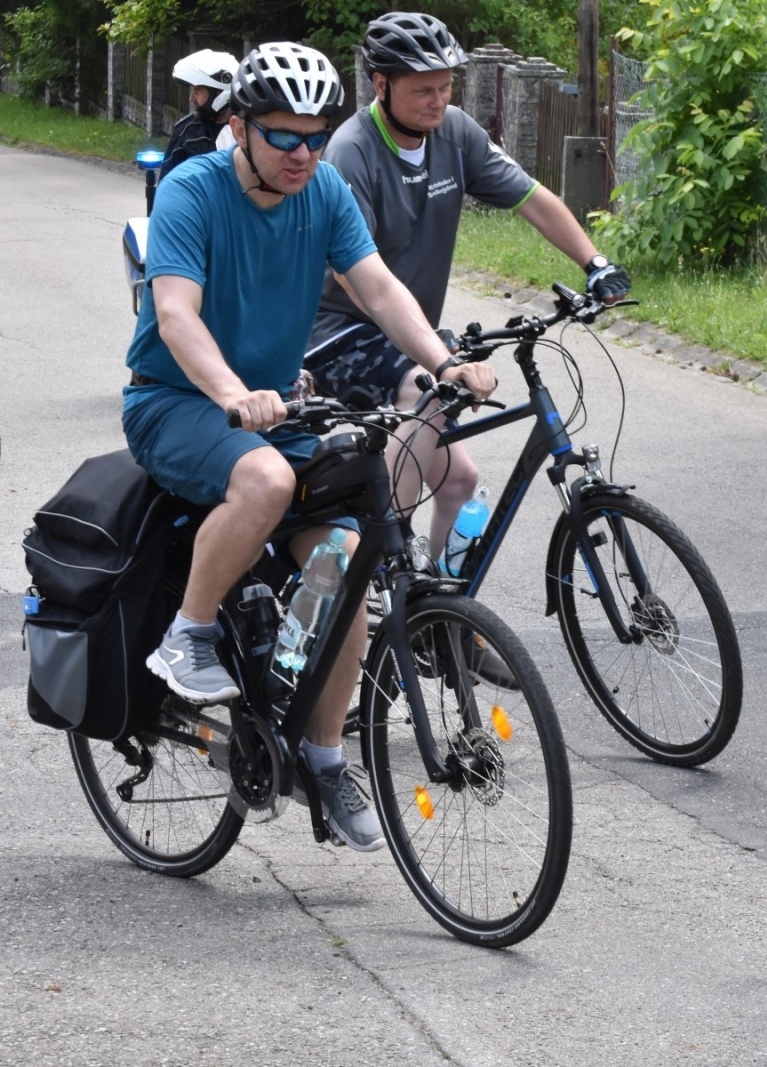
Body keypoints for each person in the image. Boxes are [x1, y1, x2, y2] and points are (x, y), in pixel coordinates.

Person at [125, 42, 495, 851]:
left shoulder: (322, 189)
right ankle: (185, 637)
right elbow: (178, 314)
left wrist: (443, 362)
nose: (303, 153)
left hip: (271, 409)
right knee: (262, 482)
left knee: (345, 551)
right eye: (283, 136)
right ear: (241, 128)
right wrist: (230, 391)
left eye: (316, 135)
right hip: (178, 402)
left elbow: (379, 288)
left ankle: (323, 756)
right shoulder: (194, 190)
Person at [304, 11, 631, 555]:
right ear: (381, 85)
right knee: (429, 392)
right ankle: (386, 561)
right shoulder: (351, 151)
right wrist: (433, 356)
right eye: (423, 90)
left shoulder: (454, 133)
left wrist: (594, 263)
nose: (439, 100)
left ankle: (437, 616)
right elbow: (358, 280)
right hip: (339, 331)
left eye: (446, 86)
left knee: (458, 482)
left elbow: (534, 199)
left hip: (411, 336)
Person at [159, 49, 238, 179]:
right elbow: (167, 182)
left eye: (197, 91)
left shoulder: (247, 129)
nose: (191, 98)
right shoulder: (185, 130)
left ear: (218, 92)